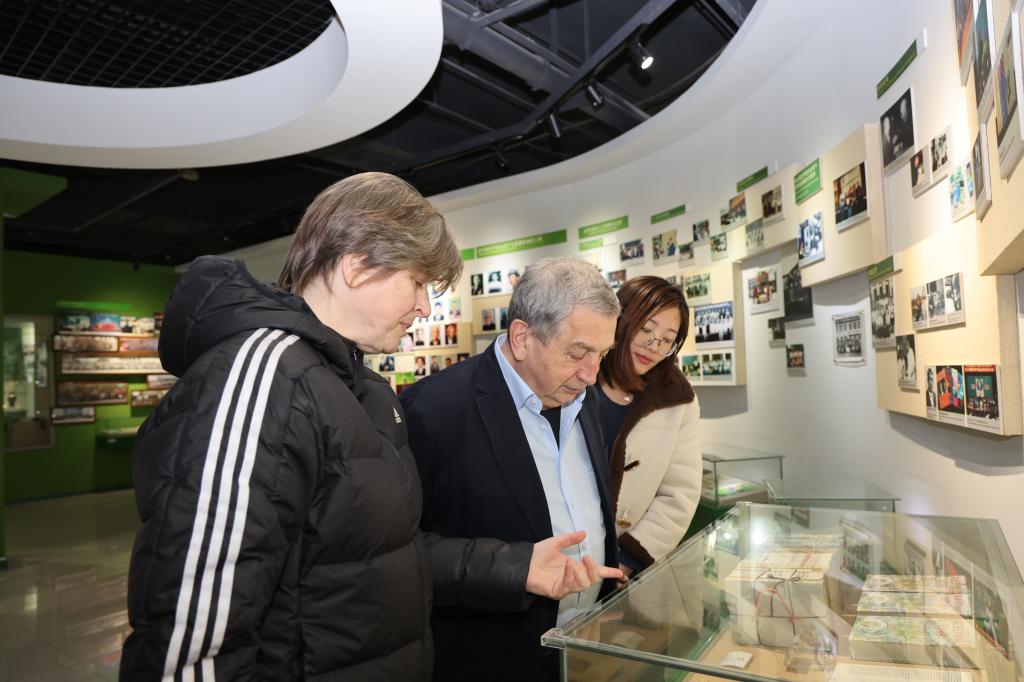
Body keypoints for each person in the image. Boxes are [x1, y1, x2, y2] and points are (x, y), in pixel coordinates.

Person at [121, 174, 610, 681]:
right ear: (355, 266)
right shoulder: (263, 376)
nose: (424, 307)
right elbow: (193, 636)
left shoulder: (366, 391)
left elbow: (385, 555)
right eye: (417, 282)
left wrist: (515, 567)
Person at [400, 257, 624, 682]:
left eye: (602, 354)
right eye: (578, 352)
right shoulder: (434, 411)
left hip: (583, 650)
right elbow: (404, 553)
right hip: (492, 661)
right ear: (522, 338)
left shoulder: (581, 396)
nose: (592, 374)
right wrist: (514, 569)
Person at [596, 277, 700, 578]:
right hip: (561, 560)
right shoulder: (578, 380)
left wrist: (628, 559)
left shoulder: (677, 398)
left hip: (624, 572)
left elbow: (679, 494)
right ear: (620, 320)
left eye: (667, 339)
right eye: (646, 329)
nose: (654, 346)